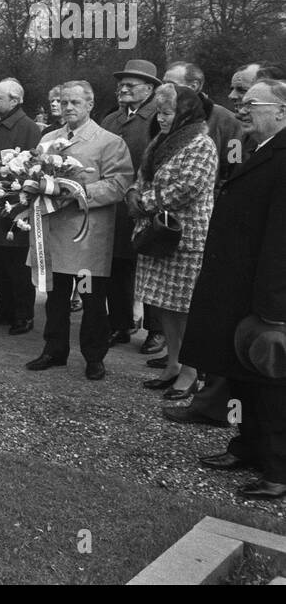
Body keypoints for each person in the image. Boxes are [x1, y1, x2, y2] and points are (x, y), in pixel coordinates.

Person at [179, 78, 286, 499]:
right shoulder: (255, 149)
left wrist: (273, 307)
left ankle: (277, 470)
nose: (240, 107)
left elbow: (281, 239)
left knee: (271, 384)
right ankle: (246, 446)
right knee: (241, 376)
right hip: (234, 287)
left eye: (252, 103)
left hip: (262, 295)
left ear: (281, 110)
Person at [25, 81, 134, 381]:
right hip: (54, 232)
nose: (68, 107)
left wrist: (78, 191)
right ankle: (54, 350)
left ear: (90, 105)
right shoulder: (48, 139)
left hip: (87, 236)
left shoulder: (108, 141)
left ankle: (94, 356)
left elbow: (119, 183)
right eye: (64, 101)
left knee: (91, 300)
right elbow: (34, 173)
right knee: (55, 296)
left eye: (75, 102)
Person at [130, 84, 217, 400]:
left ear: (185, 113)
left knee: (185, 308)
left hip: (184, 238)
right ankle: (174, 364)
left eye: (167, 113)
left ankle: (191, 372)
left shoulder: (200, 144)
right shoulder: (160, 140)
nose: (162, 119)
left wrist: (145, 201)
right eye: (160, 113)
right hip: (156, 234)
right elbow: (144, 175)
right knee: (164, 306)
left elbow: (188, 187)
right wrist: (135, 193)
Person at [100, 59, 165, 356]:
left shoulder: (159, 119)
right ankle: (120, 323)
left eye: (131, 84)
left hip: (145, 204)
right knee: (117, 266)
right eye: (120, 85)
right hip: (114, 206)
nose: (123, 89)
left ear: (150, 88)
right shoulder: (111, 120)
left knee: (151, 268)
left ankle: (157, 330)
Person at [0, 79, 42, 335]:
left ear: (15, 100)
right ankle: (5, 308)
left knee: (16, 264)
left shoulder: (27, 127)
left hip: (13, 206)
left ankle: (23, 314)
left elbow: (33, 166)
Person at [164, 61, 241, 184]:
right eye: (164, 84)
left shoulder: (226, 119)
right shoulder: (159, 117)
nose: (164, 89)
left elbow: (234, 165)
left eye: (171, 84)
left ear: (194, 86)